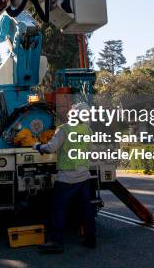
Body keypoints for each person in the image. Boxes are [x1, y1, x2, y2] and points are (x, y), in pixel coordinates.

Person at [33, 102, 96, 253]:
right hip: (84, 175)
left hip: (67, 177)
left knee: (59, 208)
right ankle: (91, 239)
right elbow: (90, 149)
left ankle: (56, 241)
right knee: (86, 208)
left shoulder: (64, 129)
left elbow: (51, 148)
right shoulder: (88, 130)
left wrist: (38, 146)